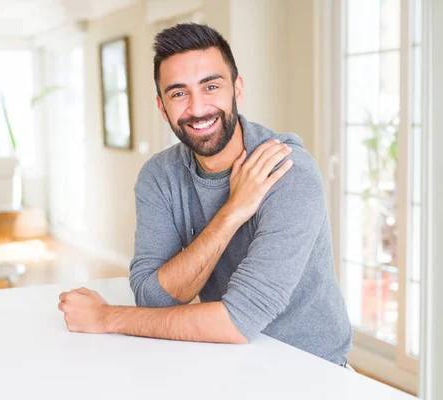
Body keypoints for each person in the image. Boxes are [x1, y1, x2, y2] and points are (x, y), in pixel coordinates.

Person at [58, 23, 352, 366]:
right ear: (162, 106)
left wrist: (107, 318)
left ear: (236, 90)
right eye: (179, 93)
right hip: (224, 360)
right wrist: (232, 212)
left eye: (210, 86)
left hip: (310, 370)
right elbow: (154, 298)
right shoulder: (160, 175)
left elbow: (238, 320)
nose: (198, 109)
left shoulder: (287, 172)